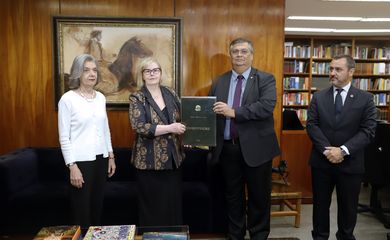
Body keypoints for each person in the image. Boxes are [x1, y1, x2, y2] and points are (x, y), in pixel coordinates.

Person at [209, 37, 280, 240]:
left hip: (257, 149)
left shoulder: (265, 79)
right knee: (233, 197)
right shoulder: (219, 81)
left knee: (259, 197)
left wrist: (234, 112)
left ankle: (258, 235)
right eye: (235, 51)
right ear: (230, 55)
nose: (239, 55)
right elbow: (209, 113)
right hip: (228, 150)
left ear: (251, 55)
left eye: (244, 51)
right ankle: (235, 235)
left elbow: (266, 107)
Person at [306, 54, 377, 240]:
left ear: (351, 72)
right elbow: (312, 125)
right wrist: (328, 150)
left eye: (338, 69)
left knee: (348, 210)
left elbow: (368, 131)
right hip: (322, 162)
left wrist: (343, 150)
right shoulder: (319, 97)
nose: (333, 73)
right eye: (331, 69)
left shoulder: (366, 99)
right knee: (320, 207)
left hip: (350, 164)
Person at [58, 54, 116, 231]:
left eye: (94, 70)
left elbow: (105, 129)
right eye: (86, 70)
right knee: (81, 209)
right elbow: (64, 137)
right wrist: (72, 166)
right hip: (80, 162)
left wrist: (111, 156)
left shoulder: (100, 97)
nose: (92, 74)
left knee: (97, 207)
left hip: (101, 159)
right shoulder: (67, 99)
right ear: (77, 73)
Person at [128, 57, 186, 226]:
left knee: (172, 205)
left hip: (173, 160)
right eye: (148, 71)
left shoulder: (171, 93)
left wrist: (188, 135)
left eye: (156, 70)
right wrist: (171, 128)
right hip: (148, 162)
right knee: (152, 207)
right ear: (142, 75)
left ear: (161, 73)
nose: (152, 74)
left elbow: (184, 118)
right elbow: (140, 127)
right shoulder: (137, 97)